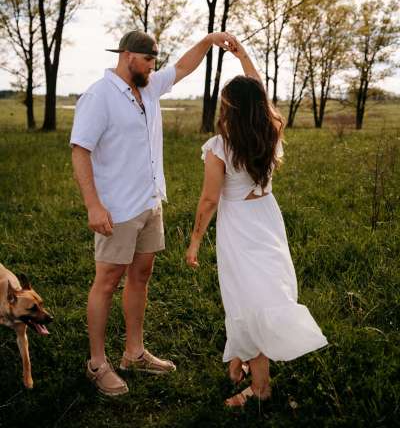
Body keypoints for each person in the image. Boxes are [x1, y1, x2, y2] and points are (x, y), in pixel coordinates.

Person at [70, 29, 238, 396]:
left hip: (149, 202)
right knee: (107, 281)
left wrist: (209, 41)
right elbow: (80, 150)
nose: (153, 66)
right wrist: (93, 205)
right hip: (116, 208)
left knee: (141, 276)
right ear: (129, 55)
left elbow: (183, 67)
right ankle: (97, 363)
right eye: (149, 59)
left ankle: (134, 352)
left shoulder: (147, 87)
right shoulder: (99, 97)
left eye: (155, 61)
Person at [186, 40, 328, 408]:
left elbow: (208, 201)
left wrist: (195, 242)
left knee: (248, 300)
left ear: (229, 108)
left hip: (239, 228)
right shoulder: (270, 133)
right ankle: (242, 360)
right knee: (263, 291)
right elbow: (260, 94)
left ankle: (261, 388)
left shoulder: (221, 146)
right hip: (267, 220)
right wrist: (243, 57)